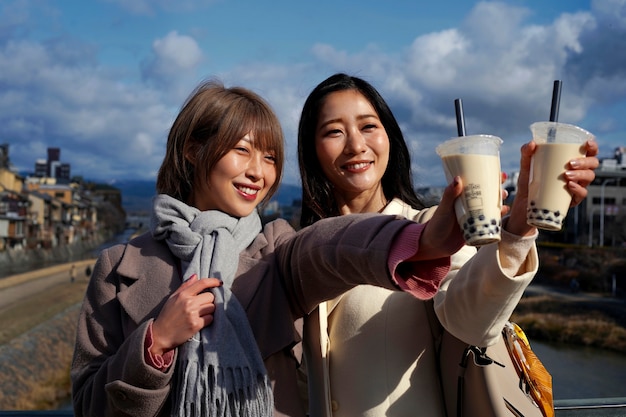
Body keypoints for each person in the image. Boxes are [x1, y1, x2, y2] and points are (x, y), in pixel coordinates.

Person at [70, 79, 469, 417]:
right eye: (241, 150)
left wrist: (418, 242)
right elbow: (88, 404)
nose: (258, 172)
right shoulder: (119, 266)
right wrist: (155, 342)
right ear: (193, 150)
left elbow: (331, 247)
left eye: (270, 157)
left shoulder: (276, 250)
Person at [297, 73, 599, 417]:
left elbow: (470, 321)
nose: (355, 145)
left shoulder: (428, 231)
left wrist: (517, 228)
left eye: (368, 126)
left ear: (389, 137)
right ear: (312, 150)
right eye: (334, 131)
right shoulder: (299, 252)